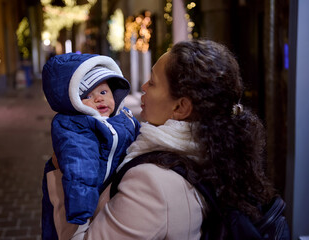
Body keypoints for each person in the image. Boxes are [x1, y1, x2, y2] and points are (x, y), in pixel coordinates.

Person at [47, 39, 276, 240]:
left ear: (180, 107)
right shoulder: (216, 149)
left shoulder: (151, 183)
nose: (143, 87)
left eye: (153, 83)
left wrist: (61, 174)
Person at [41, 53, 141, 240]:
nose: (99, 99)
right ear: (73, 101)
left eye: (103, 92)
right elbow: (80, 164)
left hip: (110, 192)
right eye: (87, 95)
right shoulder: (75, 125)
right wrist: (82, 210)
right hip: (82, 203)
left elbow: (141, 138)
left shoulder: (124, 116)